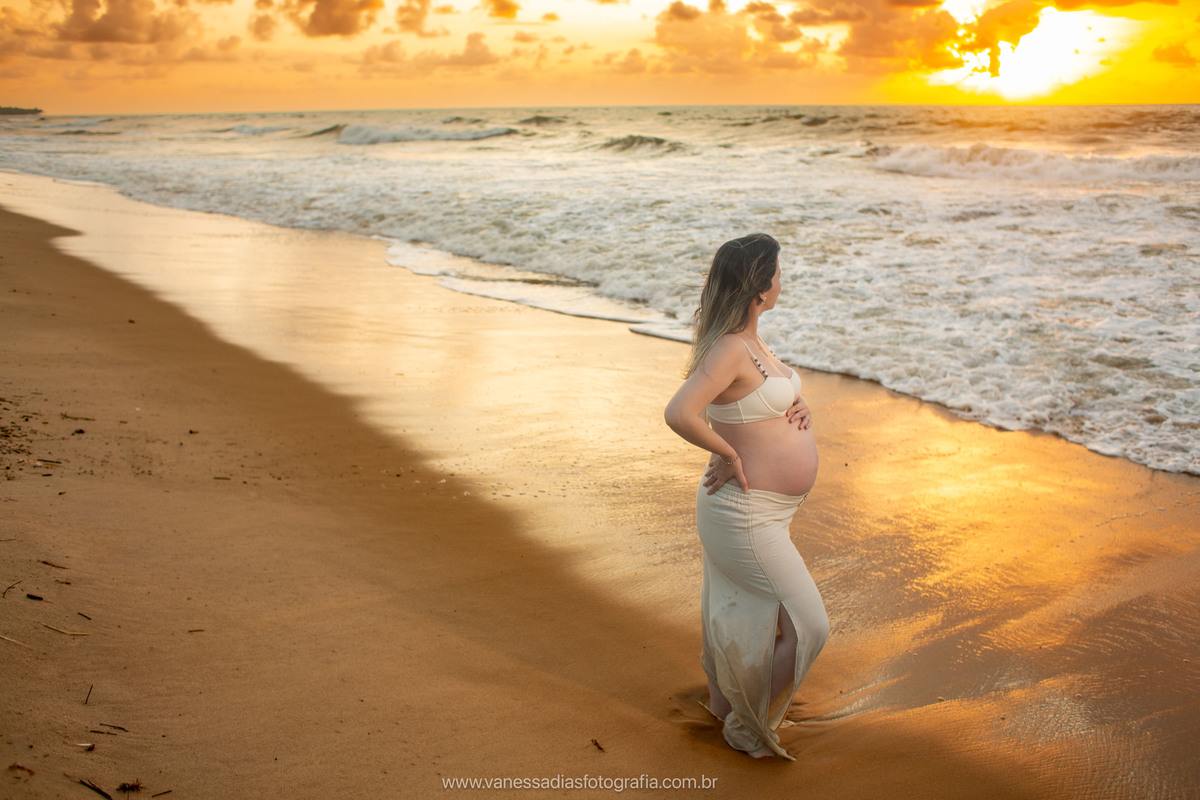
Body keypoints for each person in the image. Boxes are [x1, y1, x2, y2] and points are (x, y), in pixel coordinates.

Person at [664, 233, 829, 760]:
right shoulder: (732, 347)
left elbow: (754, 402)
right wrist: (728, 454)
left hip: (763, 512)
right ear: (761, 286)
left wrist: (800, 406)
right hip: (743, 512)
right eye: (778, 272)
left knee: (734, 607)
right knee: (808, 627)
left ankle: (724, 705)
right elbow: (680, 413)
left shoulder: (750, 341)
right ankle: (747, 726)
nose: (783, 280)